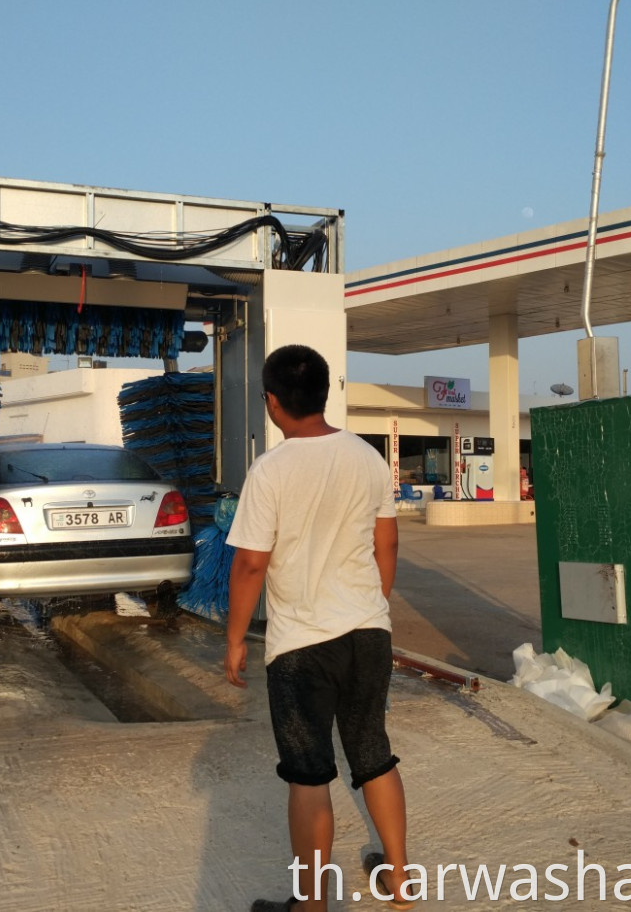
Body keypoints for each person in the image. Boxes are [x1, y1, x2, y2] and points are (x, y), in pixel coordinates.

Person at [224, 345, 411, 912]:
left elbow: (250, 565)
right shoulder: (368, 458)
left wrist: (234, 639)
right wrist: (369, 608)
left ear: (273, 403)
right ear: (325, 394)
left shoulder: (271, 470)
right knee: (373, 752)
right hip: (368, 633)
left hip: (302, 647)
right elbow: (388, 544)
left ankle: (311, 904)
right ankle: (400, 882)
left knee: (308, 775)